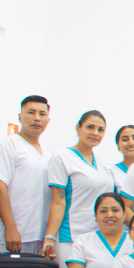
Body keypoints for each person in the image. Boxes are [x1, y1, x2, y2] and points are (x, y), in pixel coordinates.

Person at [40, 109, 111, 260]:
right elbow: (58, 201)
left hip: (98, 236)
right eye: (90, 127)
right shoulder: (62, 158)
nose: (95, 133)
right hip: (70, 236)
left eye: (101, 130)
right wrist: (50, 237)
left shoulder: (102, 163)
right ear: (78, 128)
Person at [0, 95, 51, 255]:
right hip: (14, 236)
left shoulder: (50, 156)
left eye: (42, 114)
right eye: (31, 112)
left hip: (40, 237)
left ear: (48, 120)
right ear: (20, 117)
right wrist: (10, 228)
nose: (37, 118)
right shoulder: (7, 145)